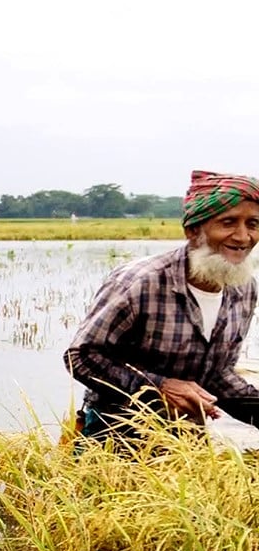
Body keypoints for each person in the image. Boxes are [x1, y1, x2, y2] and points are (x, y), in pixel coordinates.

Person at [64, 169, 259, 440]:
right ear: (193, 230)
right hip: (113, 435)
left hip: (187, 438)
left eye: (253, 224)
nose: (243, 236)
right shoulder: (141, 281)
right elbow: (81, 357)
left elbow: (216, 376)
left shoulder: (243, 289)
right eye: (228, 222)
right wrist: (160, 387)